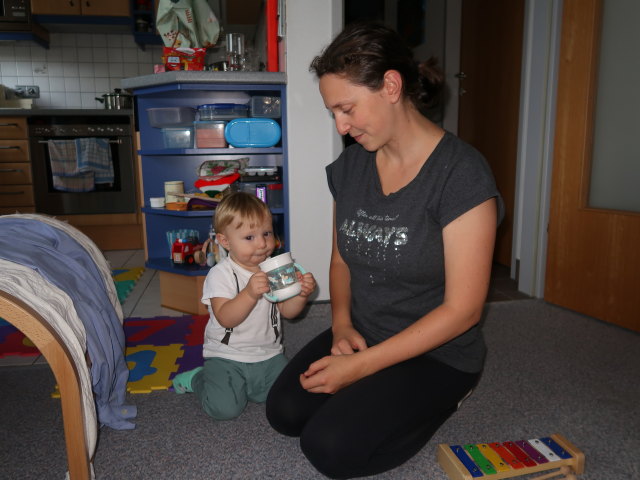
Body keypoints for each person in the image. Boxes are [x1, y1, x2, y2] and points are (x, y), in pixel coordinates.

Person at [265, 21, 504, 479]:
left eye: (347, 108)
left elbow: (464, 310)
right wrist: (340, 326)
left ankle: (449, 397)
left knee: (329, 448)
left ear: (391, 86)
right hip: (364, 330)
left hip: (439, 352)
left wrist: (360, 369)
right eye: (334, 112)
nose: (341, 125)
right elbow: (340, 260)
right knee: (285, 413)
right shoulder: (351, 167)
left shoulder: (462, 174)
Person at [172, 192, 317, 420]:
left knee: (289, 396)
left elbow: (287, 313)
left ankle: (246, 387)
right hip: (227, 355)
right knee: (225, 409)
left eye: (266, 233)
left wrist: (300, 295)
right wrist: (249, 293)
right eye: (249, 237)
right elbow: (225, 318)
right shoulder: (220, 274)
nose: (262, 243)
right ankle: (198, 378)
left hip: (268, 354)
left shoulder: (273, 269)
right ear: (225, 241)